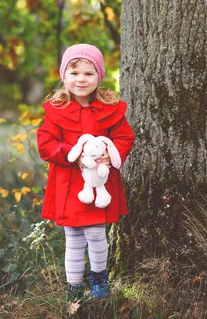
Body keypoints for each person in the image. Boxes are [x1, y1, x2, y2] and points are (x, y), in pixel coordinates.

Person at [36, 44, 135, 301]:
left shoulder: (110, 108)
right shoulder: (56, 109)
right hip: (69, 184)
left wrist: (111, 155)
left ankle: (99, 277)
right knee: (74, 237)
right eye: (75, 72)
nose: (81, 79)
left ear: (99, 77)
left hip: (100, 180)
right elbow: (46, 144)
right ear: (64, 76)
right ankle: (73, 286)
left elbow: (124, 137)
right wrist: (72, 154)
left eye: (89, 73)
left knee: (96, 233)